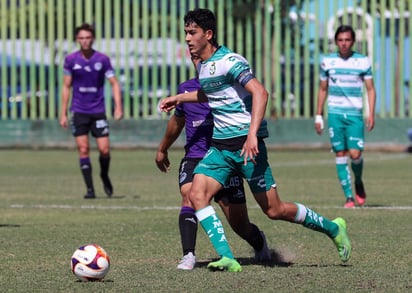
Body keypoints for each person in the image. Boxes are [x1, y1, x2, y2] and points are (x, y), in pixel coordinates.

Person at [159, 8, 351, 272]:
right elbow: (211, 95)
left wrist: (252, 136)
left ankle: (333, 228)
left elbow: (261, 92)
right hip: (220, 148)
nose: (188, 38)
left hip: (247, 146)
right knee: (196, 194)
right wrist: (179, 98)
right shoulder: (202, 65)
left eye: (192, 33)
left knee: (274, 210)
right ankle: (227, 257)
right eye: (186, 33)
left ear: (209, 34)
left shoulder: (230, 60)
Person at [155, 54, 271, 270]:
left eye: (202, 57)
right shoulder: (186, 90)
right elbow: (177, 123)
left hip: (225, 155)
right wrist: (162, 149)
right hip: (196, 157)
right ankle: (188, 254)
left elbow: (256, 97)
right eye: (194, 58)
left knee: (239, 225)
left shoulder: (228, 86)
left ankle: (258, 240)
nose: (199, 61)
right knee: (189, 195)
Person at [315, 25, 376, 208]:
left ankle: (358, 180)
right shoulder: (327, 62)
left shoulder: (362, 61)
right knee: (340, 153)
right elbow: (323, 89)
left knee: (356, 154)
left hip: (355, 114)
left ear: (353, 41)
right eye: (340, 40)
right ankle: (349, 197)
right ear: (336, 41)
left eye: (347, 40)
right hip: (335, 113)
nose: (344, 43)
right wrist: (318, 115)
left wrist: (371, 113)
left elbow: (370, 89)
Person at [59, 23, 123, 199]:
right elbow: (66, 87)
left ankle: (104, 175)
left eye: (88, 37)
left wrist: (118, 107)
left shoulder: (102, 59)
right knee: (83, 148)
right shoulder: (71, 60)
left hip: (98, 111)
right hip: (79, 111)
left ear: (93, 39)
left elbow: (114, 83)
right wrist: (63, 112)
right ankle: (90, 189)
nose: (85, 41)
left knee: (104, 150)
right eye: (81, 38)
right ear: (77, 39)